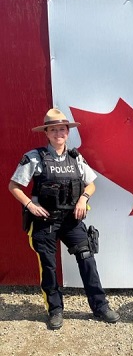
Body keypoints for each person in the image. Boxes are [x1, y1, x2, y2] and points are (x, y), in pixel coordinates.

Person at [9, 108, 120, 330]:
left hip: (71, 220)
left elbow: (91, 183)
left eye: (62, 129)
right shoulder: (35, 157)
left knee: (87, 258)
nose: (59, 133)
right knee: (48, 266)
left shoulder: (75, 157)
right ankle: (55, 310)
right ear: (47, 133)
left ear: (67, 132)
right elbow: (14, 186)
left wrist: (83, 200)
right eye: (54, 130)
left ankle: (100, 306)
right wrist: (31, 205)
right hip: (45, 222)